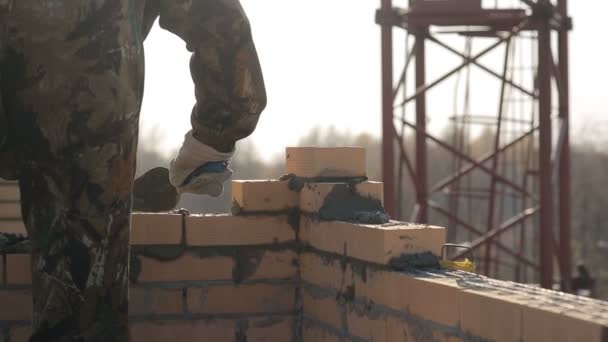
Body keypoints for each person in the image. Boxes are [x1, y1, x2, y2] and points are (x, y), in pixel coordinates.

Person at [0, 1, 266, 340]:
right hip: (80, 77)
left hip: (70, 74)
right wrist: (217, 132)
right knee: (81, 308)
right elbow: (215, 17)